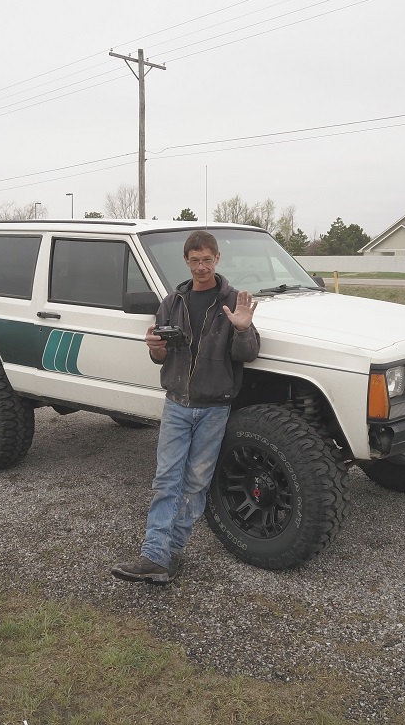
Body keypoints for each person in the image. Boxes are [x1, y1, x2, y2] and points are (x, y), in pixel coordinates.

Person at [112, 230, 260, 584]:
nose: (201, 267)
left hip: (214, 408)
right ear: (186, 261)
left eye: (207, 259)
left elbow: (247, 354)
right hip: (177, 404)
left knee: (195, 484)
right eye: (195, 260)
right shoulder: (172, 301)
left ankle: (170, 553)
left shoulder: (232, 300)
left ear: (217, 259)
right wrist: (155, 347)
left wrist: (242, 328)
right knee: (166, 480)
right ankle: (153, 555)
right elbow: (160, 356)